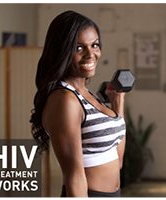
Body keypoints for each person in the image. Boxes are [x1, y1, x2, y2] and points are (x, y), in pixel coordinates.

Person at [30, 10, 126, 198]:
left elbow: (118, 159)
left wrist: (118, 103)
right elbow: (74, 175)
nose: (91, 54)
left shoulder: (89, 96)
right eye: (79, 48)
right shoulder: (65, 100)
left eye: (95, 45)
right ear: (62, 51)